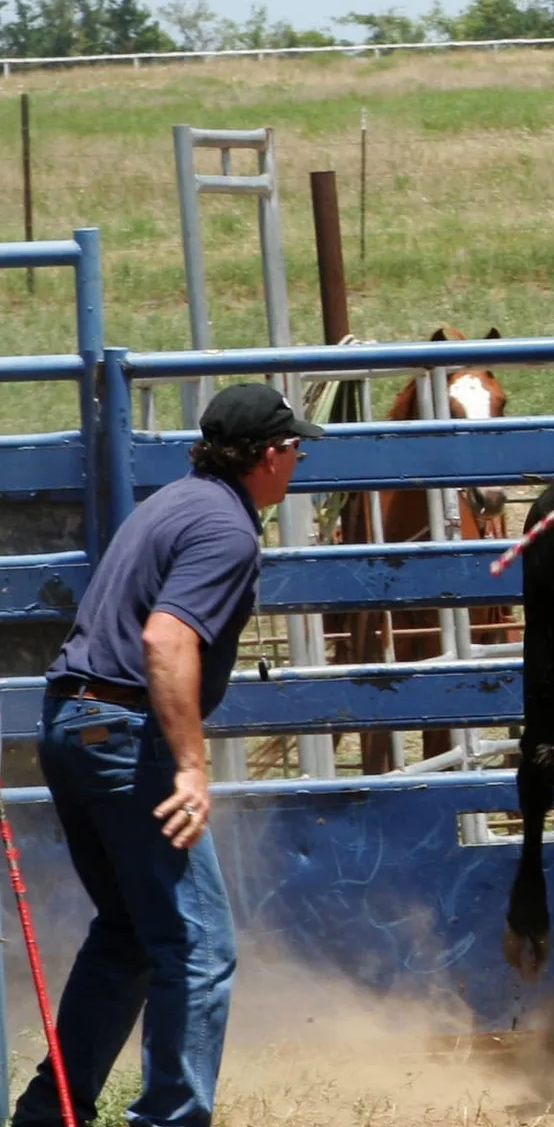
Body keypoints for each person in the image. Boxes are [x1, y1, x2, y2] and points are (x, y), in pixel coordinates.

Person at [12, 383, 323, 1127]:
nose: (299, 459)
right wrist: (189, 764)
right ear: (268, 456)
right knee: (196, 945)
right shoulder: (227, 530)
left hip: (72, 724)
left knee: (128, 931)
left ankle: (48, 1115)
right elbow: (166, 639)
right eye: (294, 447)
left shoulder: (174, 501)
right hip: (124, 736)